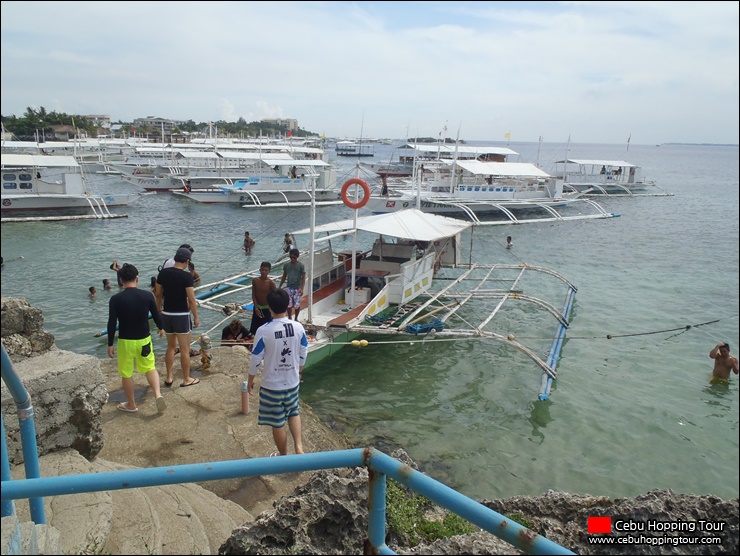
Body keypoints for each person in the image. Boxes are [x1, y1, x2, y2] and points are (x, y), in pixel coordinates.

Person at [248, 288, 308, 456]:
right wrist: (299, 371)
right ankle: (299, 447)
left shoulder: (263, 330)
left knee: (277, 422)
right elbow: (304, 351)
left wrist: (250, 379)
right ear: (287, 304)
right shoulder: (298, 327)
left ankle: (283, 456)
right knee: (294, 411)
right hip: (292, 382)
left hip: (271, 386)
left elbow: (255, 359)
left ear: (269, 307)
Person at [107, 263, 167, 414]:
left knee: (126, 373)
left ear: (121, 280)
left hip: (126, 342)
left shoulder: (115, 299)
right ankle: (158, 394)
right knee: (150, 368)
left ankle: (131, 404)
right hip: (144, 340)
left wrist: (110, 344)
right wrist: (161, 328)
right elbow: (156, 314)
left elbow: (111, 323)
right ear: (137, 279)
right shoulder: (147, 295)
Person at [155, 247, 200, 388]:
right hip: (181, 316)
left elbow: (157, 293)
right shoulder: (186, 277)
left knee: (170, 347)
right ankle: (186, 379)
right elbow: (191, 300)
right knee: (185, 349)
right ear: (187, 261)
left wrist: (159, 310)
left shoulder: (163, 273)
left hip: (167, 315)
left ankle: (169, 377)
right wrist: (196, 317)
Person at [250, 261, 277, 342]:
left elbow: (274, 297)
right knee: (254, 330)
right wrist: (256, 308)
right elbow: (254, 294)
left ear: (269, 271)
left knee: (266, 330)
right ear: (259, 270)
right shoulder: (255, 280)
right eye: (262, 270)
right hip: (257, 308)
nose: (263, 272)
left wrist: (272, 309)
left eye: (265, 270)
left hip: (267, 309)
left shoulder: (271, 283)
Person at [279, 248, 306, 321]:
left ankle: (296, 318)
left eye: (294, 257)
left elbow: (303, 277)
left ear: (297, 257)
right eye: (291, 257)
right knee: (289, 304)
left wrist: (302, 288)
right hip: (289, 287)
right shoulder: (287, 265)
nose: (292, 259)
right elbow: (284, 276)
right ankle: (290, 317)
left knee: (297, 305)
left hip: (297, 287)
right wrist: (280, 286)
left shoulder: (301, 266)